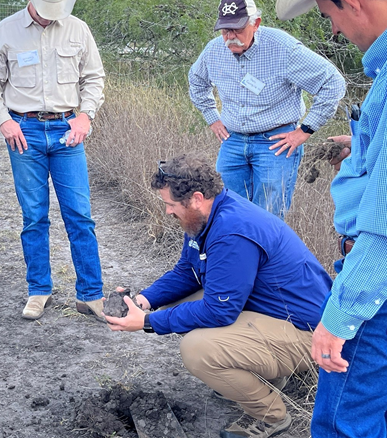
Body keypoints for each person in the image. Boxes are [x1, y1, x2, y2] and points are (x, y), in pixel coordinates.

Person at [105, 155, 332, 438]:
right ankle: (261, 375)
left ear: (196, 198)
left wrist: (148, 322)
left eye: (170, 205)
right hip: (273, 314)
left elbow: (218, 312)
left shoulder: (232, 231)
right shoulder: (209, 216)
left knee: (197, 349)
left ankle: (270, 416)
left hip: (309, 333)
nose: (167, 212)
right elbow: (187, 272)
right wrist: (143, 302)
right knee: (178, 306)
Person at [276, 0, 387, 438]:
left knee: (344, 424)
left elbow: (384, 233)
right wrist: (361, 147)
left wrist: (339, 320)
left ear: (353, 1)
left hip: (374, 289)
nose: (336, 33)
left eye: (330, 17)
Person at [0, 0, 106, 321]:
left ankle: (90, 294)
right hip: (24, 134)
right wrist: (4, 122)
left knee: (80, 215)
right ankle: (39, 290)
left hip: (68, 132)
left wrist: (85, 116)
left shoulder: (79, 30)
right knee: (34, 216)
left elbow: (94, 78)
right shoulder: (5, 31)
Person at [188, 0, 345, 219]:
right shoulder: (213, 51)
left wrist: (305, 130)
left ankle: (265, 255)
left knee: (268, 215)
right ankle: (237, 254)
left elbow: (332, 82)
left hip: (276, 142)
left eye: (238, 29)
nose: (231, 36)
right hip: (232, 140)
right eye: (225, 30)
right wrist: (212, 117)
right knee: (228, 210)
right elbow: (196, 80)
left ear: (256, 23)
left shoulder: (283, 48)